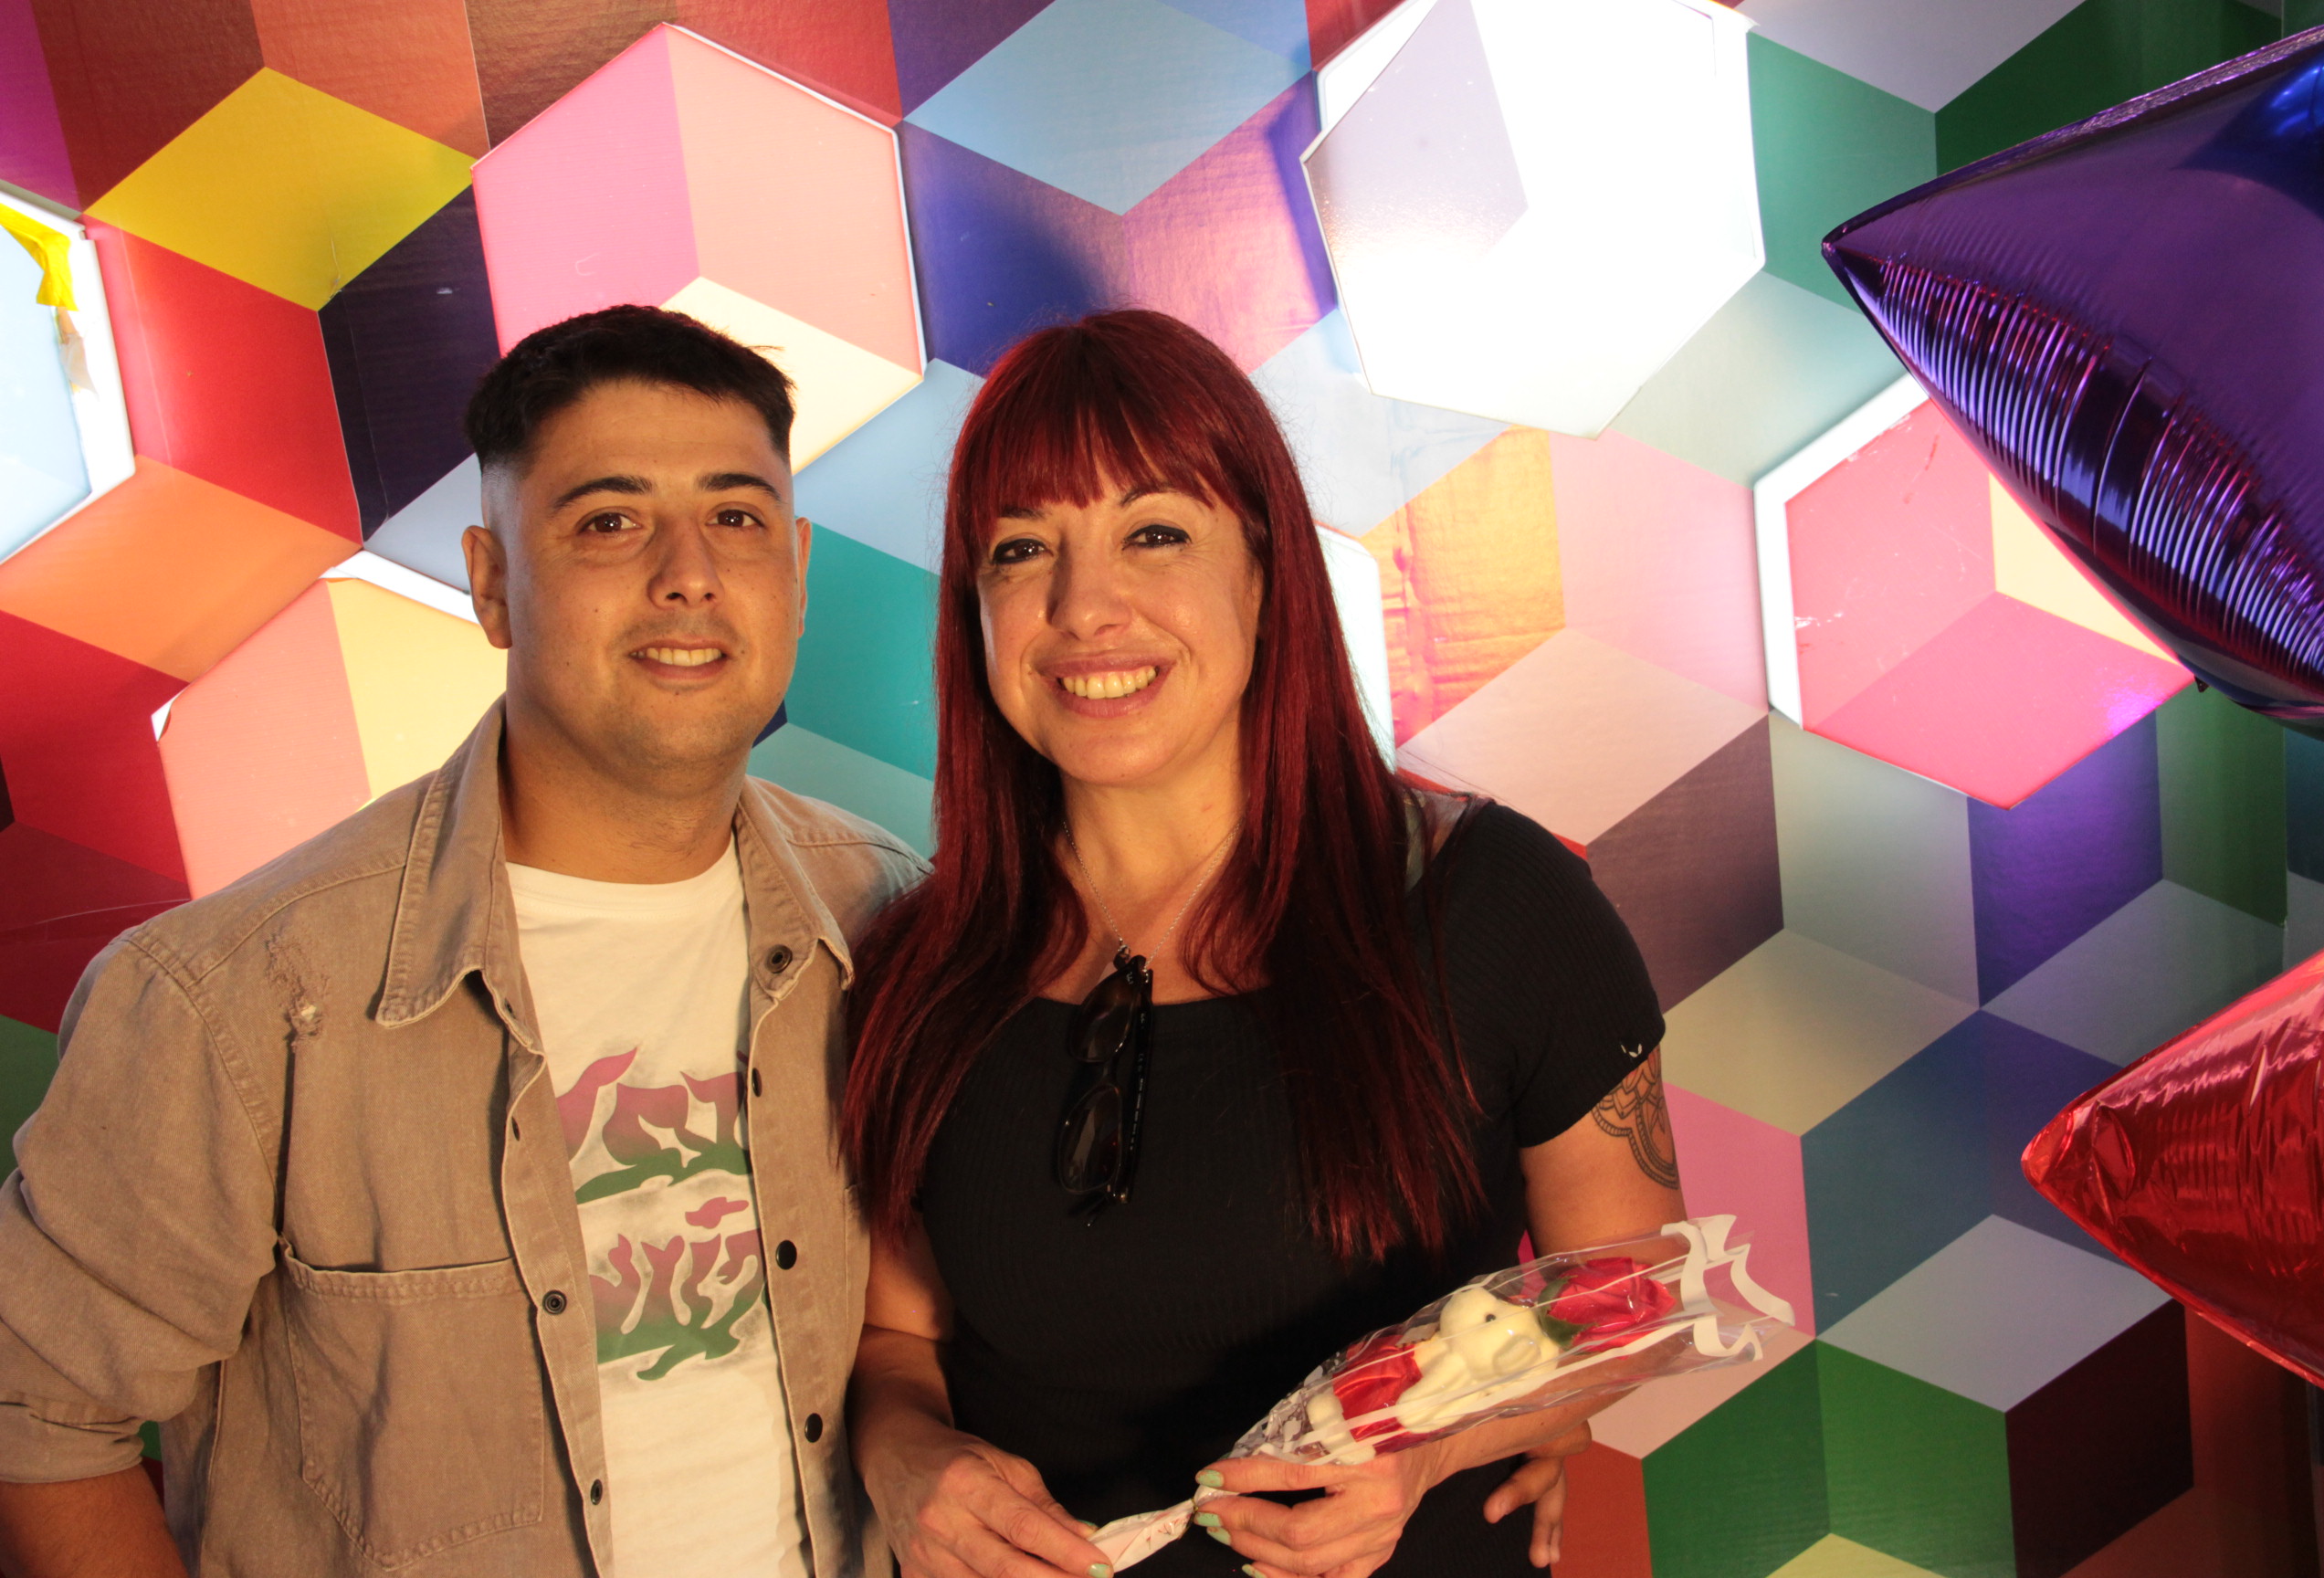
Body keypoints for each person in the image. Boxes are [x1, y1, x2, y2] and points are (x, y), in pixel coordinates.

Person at [0, 305, 918, 1577]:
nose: (689, 574)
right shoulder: (236, 1001)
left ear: (798, 572)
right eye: (609, 522)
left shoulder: (893, 918)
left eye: (736, 516)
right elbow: (40, 1422)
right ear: (491, 585)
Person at [841, 310, 1681, 1578]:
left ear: (1266, 571)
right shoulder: (917, 965)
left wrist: (1430, 1451)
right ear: (976, 612)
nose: (1084, 606)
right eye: (1023, 549)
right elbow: (898, 1339)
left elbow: (1638, 1290)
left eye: (1155, 533)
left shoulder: (1493, 901)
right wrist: (904, 1458)